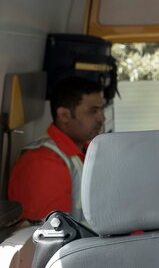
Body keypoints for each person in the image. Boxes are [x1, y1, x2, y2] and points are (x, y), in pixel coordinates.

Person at [9, 76, 105, 222]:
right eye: (93, 111)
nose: (101, 118)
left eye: (101, 110)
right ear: (64, 115)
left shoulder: (84, 151)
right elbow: (50, 237)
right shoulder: (43, 162)